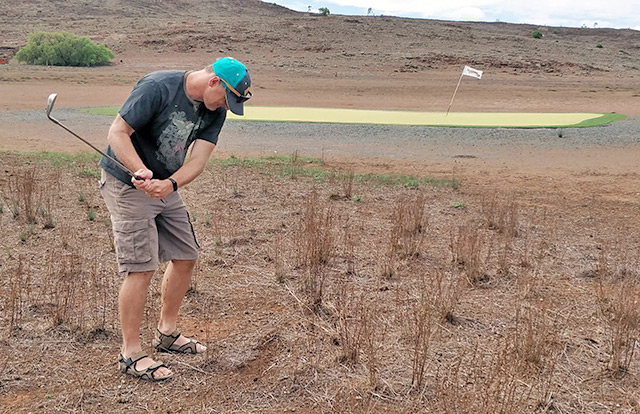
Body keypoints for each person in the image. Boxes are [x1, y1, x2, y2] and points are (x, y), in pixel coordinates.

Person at [98, 57, 252, 381]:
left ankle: (166, 334)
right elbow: (117, 132)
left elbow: (198, 159)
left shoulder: (216, 112)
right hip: (127, 183)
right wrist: (139, 169)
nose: (226, 106)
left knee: (186, 255)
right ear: (214, 82)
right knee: (141, 266)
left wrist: (169, 184)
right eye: (227, 98)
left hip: (164, 185)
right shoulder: (157, 87)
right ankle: (130, 353)